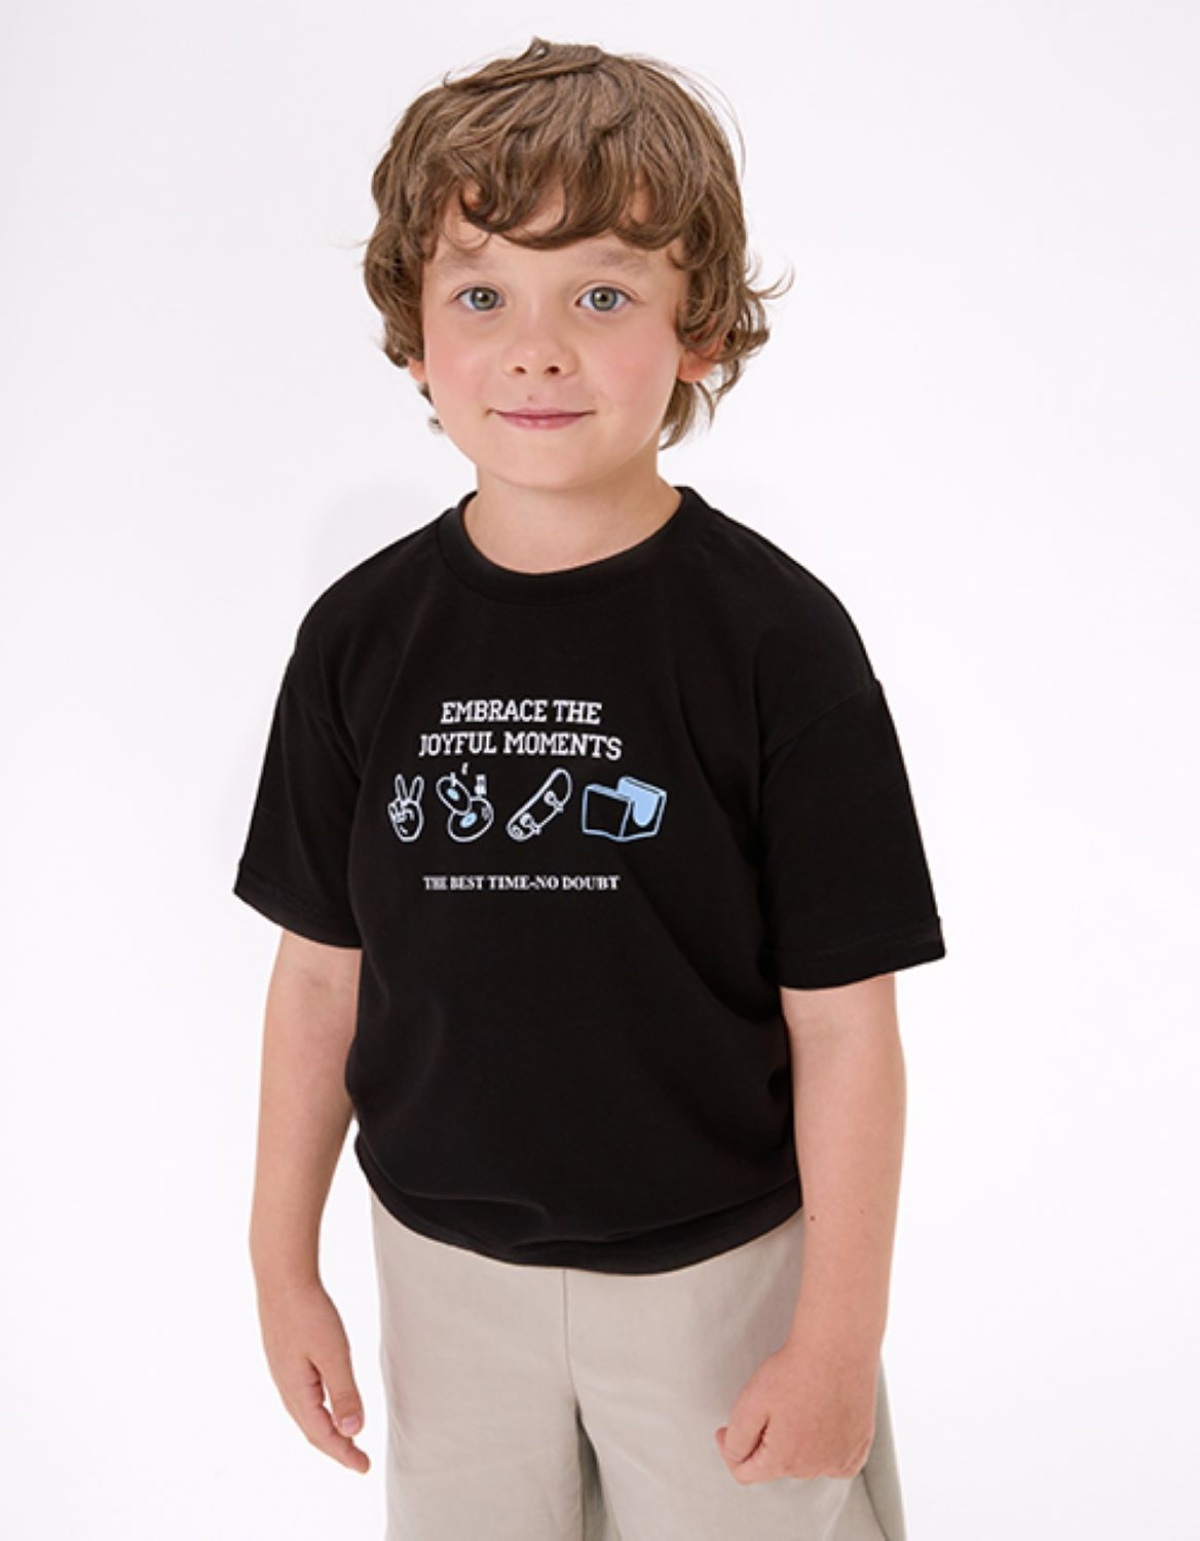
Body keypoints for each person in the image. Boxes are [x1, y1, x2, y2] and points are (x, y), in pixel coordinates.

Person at [234, 36, 946, 1541]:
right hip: (443, 1275)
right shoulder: (359, 638)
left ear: (702, 332)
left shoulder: (778, 642)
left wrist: (837, 1339)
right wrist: (281, 1260)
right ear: (413, 338)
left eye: (603, 296)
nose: (536, 349)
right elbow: (319, 975)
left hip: (719, 1277)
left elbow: (846, 1028)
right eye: (482, 295)